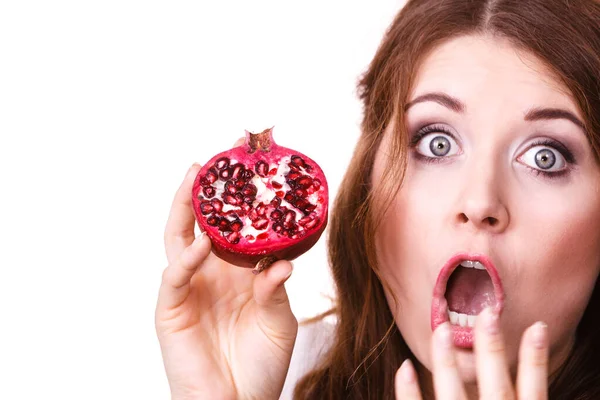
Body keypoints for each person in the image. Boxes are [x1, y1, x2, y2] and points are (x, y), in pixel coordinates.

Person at [154, 0, 600, 398]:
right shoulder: (284, 374)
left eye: (546, 156)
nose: (480, 200)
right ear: (369, 179)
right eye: (437, 143)